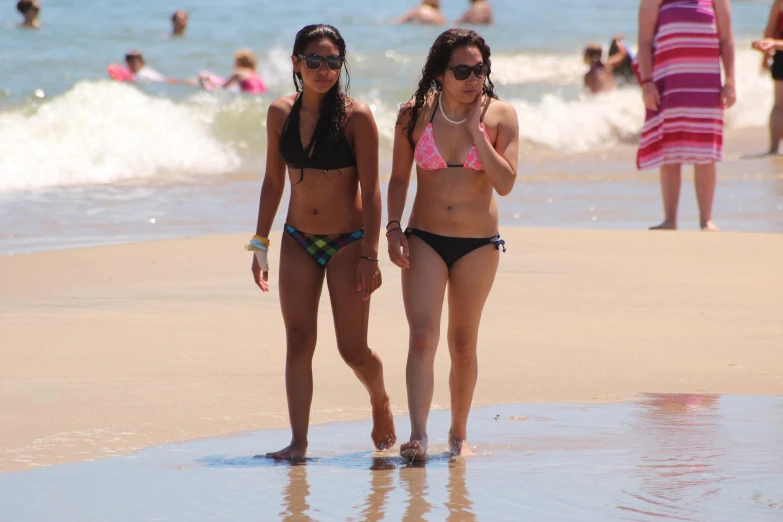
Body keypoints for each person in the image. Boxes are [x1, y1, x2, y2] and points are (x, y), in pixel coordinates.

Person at [247, 24, 396, 461]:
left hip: (348, 242)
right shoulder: (280, 113)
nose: (324, 70)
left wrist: (371, 253)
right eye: (314, 60)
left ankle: (380, 399)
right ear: (296, 63)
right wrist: (260, 242)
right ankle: (298, 443)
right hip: (297, 239)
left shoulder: (357, 116)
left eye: (333, 61)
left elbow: (371, 190)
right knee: (298, 339)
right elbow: (273, 181)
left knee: (351, 349)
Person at [387, 28, 518, 461]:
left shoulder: (501, 116)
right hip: (424, 237)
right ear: (440, 72)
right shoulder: (413, 115)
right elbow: (400, 179)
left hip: (478, 244)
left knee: (463, 344)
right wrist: (392, 228)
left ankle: (458, 434)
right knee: (423, 338)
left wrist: (477, 130)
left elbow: (506, 184)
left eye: (479, 69)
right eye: (461, 70)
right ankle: (419, 435)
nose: (472, 78)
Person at [636, 0, 735, 231]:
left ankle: (706, 220)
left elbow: (726, 39)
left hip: (706, 84)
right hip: (668, 83)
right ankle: (670, 220)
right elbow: (644, 41)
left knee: (706, 153)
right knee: (670, 152)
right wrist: (647, 83)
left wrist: (730, 81)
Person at [751, 0, 783, 154]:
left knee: (779, 104)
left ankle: (773, 148)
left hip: (780, 53)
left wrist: (765, 58)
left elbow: (770, 29)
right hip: (779, 49)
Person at [200, 49, 266, 94]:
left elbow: (223, 87)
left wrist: (210, 82)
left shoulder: (238, 73)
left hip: (248, 94)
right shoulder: (255, 74)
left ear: (238, 62)